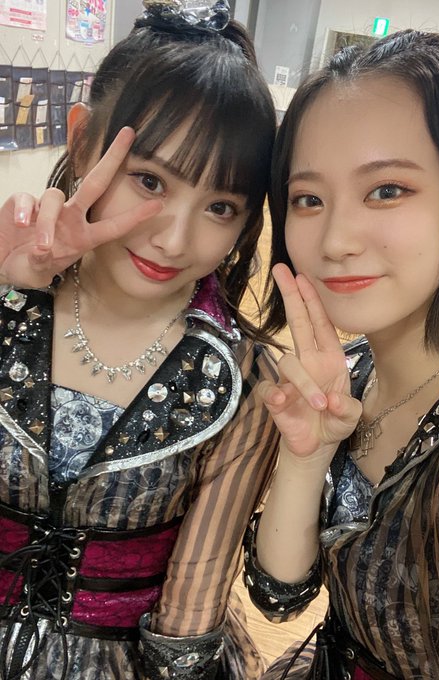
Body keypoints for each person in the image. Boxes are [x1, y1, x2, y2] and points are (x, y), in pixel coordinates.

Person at [0, 1, 279, 678]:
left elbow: (191, 612)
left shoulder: (240, 382)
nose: (174, 240)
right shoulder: (8, 301)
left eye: (220, 207)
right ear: (82, 142)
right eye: (149, 181)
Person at [243, 25, 439, 680]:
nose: (335, 239)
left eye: (387, 190)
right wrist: (305, 459)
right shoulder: (356, 374)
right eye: (308, 199)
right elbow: (280, 596)